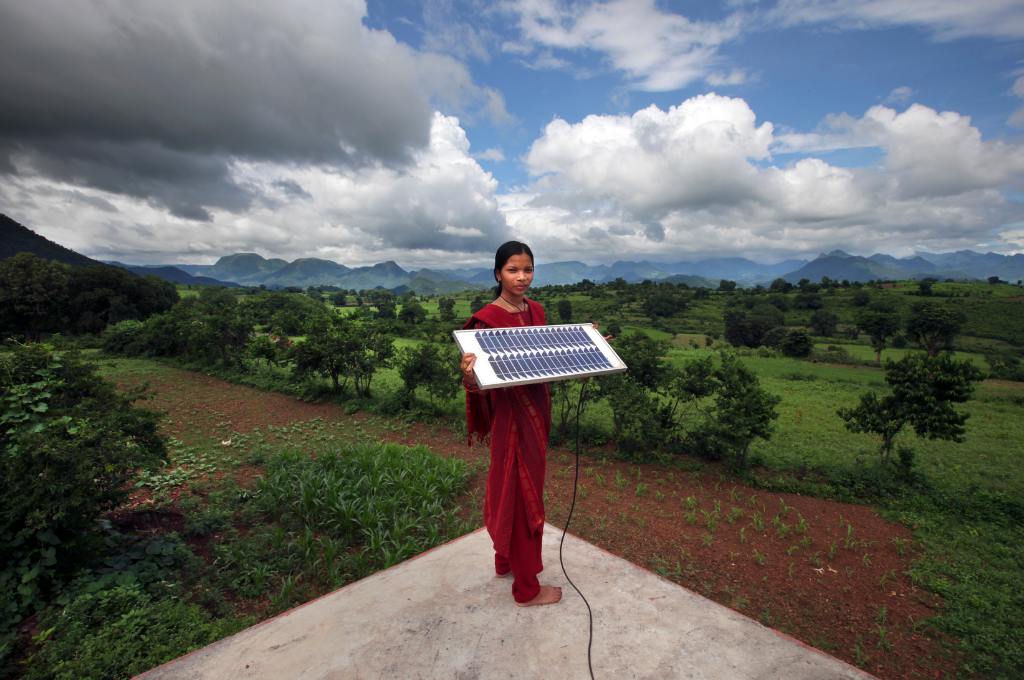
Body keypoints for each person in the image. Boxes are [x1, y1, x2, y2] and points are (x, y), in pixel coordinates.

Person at [460, 241, 562, 607]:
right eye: (513, 270)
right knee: (517, 494)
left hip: (537, 415)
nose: (522, 277)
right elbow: (478, 386)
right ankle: (526, 588)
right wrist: (470, 378)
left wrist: (587, 350)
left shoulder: (537, 310)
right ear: (498, 273)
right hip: (511, 422)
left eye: (528, 269)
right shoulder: (486, 320)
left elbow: (546, 360)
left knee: (520, 488)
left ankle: (504, 561)